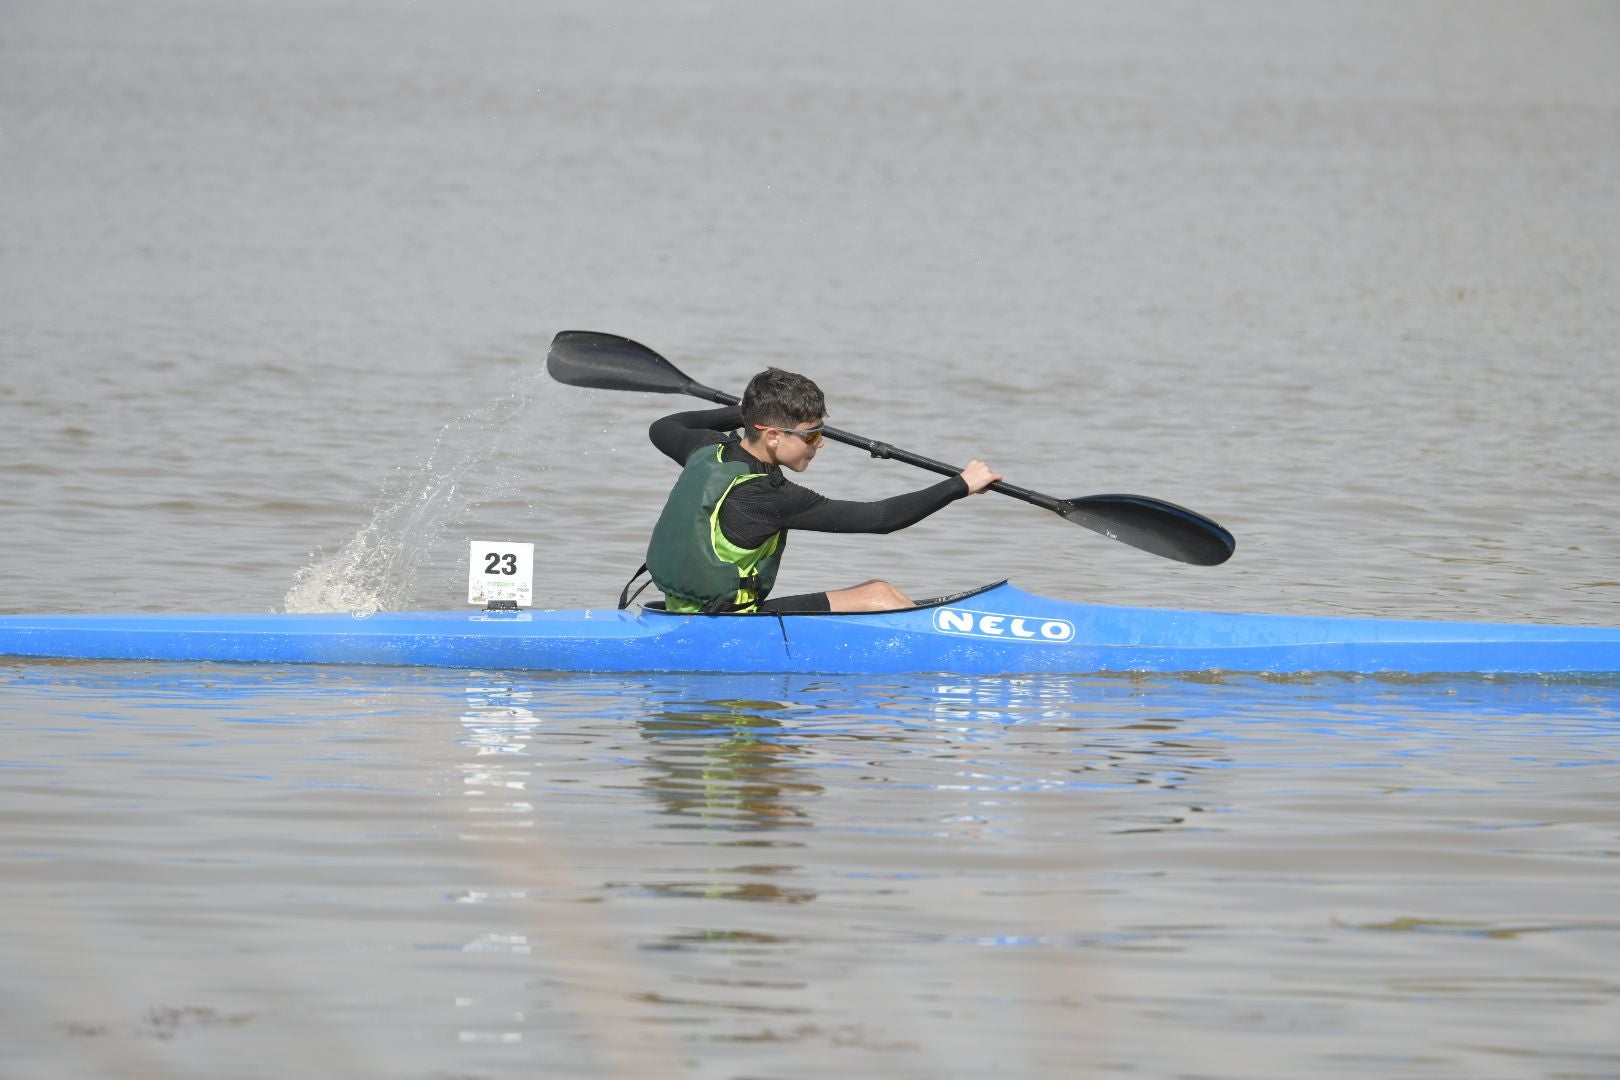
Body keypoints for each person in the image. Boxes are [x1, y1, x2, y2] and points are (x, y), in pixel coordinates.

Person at [641, 366, 1001, 614]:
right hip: (729, 625)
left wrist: (741, 415)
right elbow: (880, 519)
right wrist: (960, 485)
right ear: (772, 435)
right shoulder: (770, 497)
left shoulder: (705, 449)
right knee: (880, 596)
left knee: (880, 593)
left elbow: (665, 426)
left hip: (687, 611)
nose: (820, 444)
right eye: (811, 434)